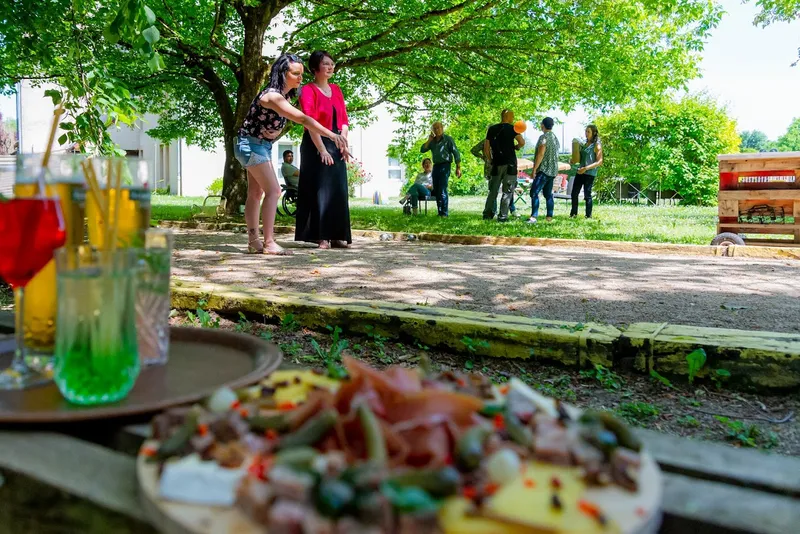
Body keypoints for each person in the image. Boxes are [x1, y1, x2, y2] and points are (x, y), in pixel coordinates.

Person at [234, 53, 347, 255]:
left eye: (301, 74)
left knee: (255, 193)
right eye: (295, 73)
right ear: (282, 73)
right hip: (250, 145)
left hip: (261, 145)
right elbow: (304, 119)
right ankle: (269, 243)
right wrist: (332, 135)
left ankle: (254, 242)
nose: (300, 78)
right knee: (274, 191)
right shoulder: (273, 96)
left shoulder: (285, 97)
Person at [295, 50, 352, 249]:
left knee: (337, 189)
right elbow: (309, 121)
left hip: (336, 142)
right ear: (315, 68)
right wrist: (322, 150)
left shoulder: (336, 89)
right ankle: (322, 236)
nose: (330, 67)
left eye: (332, 63)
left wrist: (343, 145)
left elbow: (344, 120)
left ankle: (337, 235)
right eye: (326, 64)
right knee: (321, 190)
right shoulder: (307, 90)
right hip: (315, 143)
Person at [483, 109, 525, 221]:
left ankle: (487, 214)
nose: (513, 118)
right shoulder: (512, 129)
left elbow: (486, 147)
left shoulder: (492, 129)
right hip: (510, 164)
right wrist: (516, 147)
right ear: (508, 116)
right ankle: (503, 216)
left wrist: (490, 159)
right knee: (507, 191)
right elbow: (522, 142)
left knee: (493, 191)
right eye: (512, 116)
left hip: (496, 164)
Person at [420, 121, 461, 217]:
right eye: (435, 128)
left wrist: (458, 167)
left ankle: (444, 213)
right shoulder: (432, 141)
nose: (437, 130)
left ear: (442, 128)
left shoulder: (448, 139)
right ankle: (440, 212)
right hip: (436, 166)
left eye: (439, 127)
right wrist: (429, 140)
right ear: (432, 130)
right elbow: (422, 149)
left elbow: (456, 153)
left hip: (445, 165)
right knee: (437, 190)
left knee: (442, 189)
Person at [528, 117, 560, 224]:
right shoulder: (555, 138)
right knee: (548, 194)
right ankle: (549, 216)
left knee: (534, 192)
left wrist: (534, 169)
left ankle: (534, 216)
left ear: (543, 125)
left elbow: (541, 154)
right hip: (553, 171)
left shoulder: (544, 138)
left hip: (544, 170)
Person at [570, 124, 603, 218]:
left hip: (589, 173)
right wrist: (573, 160)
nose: (586, 133)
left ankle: (588, 216)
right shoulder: (584, 145)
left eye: (588, 131)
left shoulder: (597, 145)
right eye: (586, 131)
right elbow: (580, 159)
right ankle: (573, 214)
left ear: (594, 133)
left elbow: (600, 162)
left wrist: (586, 168)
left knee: (587, 195)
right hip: (580, 171)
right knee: (574, 193)